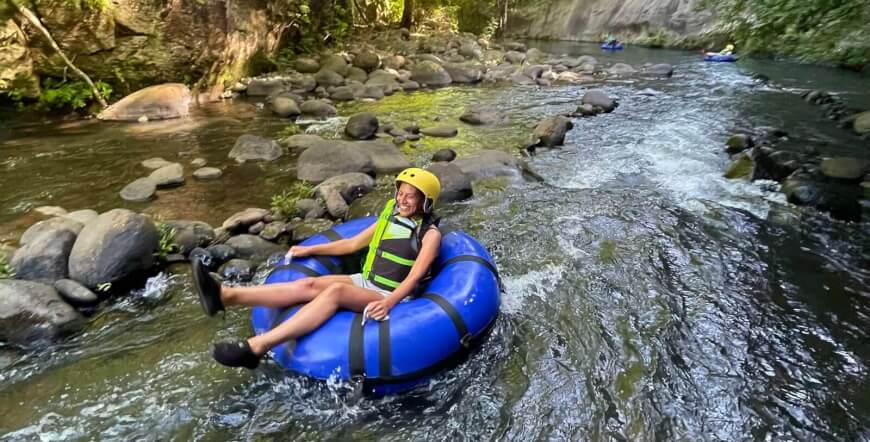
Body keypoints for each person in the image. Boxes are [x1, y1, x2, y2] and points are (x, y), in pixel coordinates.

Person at [191, 168, 443, 369]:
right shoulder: (390, 215)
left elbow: (415, 276)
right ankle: (225, 295)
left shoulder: (429, 234)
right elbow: (353, 244)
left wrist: (389, 303)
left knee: (334, 292)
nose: (402, 199)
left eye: (411, 196)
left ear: (426, 201)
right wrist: (309, 250)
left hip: (391, 295)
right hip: (366, 280)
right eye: (401, 192)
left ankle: (257, 347)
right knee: (307, 284)